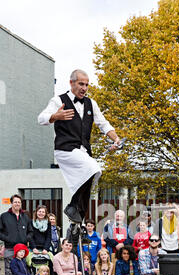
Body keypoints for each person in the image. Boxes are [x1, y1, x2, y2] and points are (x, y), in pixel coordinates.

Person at [38, 69, 121, 224]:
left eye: (87, 85)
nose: (84, 88)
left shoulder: (91, 103)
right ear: (71, 83)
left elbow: (103, 123)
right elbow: (41, 118)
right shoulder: (58, 100)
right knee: (93, 168)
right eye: (81, 84)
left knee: (91, 179)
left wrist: (116, 139)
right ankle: (72, 206)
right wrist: (55, 116)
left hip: (83, 151)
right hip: (65, 149)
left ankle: (77, 223)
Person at [0, 194, 33, 275]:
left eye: (19, 202)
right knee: (8, 272)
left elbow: (31, 231)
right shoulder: (4, 216)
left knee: (21, 271)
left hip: (22, 249)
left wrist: (25, 239)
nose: (17, 204)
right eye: (15, 202)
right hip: (10, 248)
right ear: (11, 203)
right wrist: (8, 239)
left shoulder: (25, 217)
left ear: (21, 204)